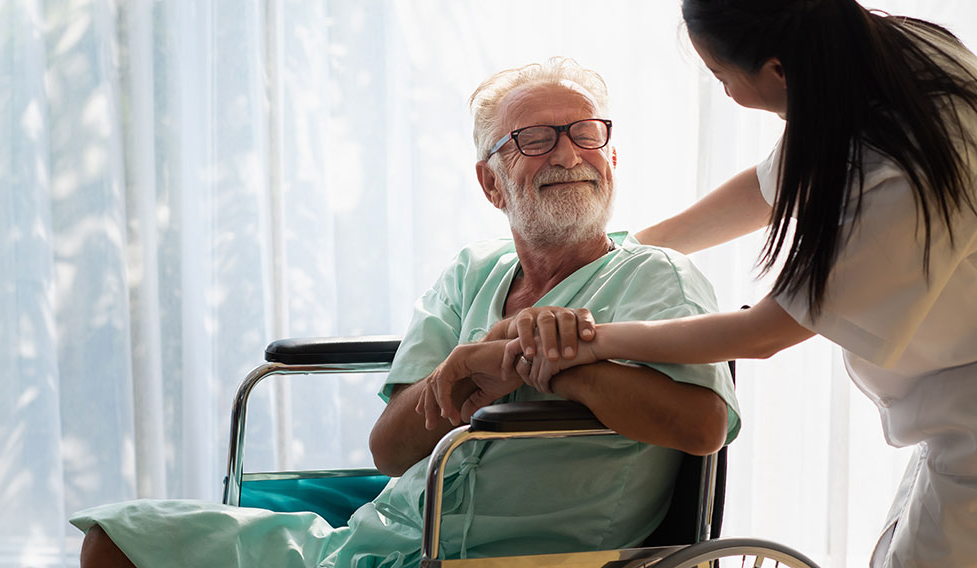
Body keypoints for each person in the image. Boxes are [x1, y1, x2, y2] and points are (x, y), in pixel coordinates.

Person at [70, 57, 740, 568]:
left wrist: (533, 363)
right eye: (534, 139)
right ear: (490, 183)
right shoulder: (470, 274)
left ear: (612, 158)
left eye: (585, 135)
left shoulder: (656, 277)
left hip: (526, 554)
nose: (568, 154)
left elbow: (702, 425)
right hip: (384, 538)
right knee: (118, 542)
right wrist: (472, 359)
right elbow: (390, 450)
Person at [425, 2, 977, 567]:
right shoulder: (869, 65)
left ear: (779, 70)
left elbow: (760, 336)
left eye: (721, 77)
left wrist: (580, 341)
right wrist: (620, 251)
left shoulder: (903, 180)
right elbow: (769, 187)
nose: (729, 95)